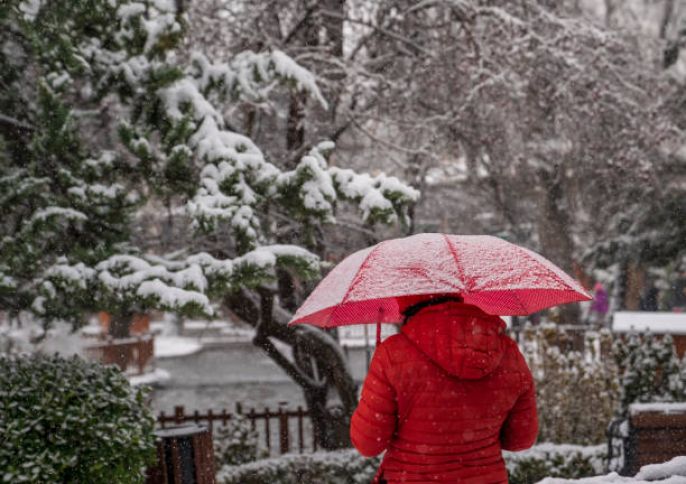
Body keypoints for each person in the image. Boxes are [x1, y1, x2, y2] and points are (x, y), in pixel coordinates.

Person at [350, 297, 538, 483]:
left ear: (405, 307)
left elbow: (368, 443)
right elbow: (521, 439)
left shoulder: (392, 354)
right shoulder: (508, 352)